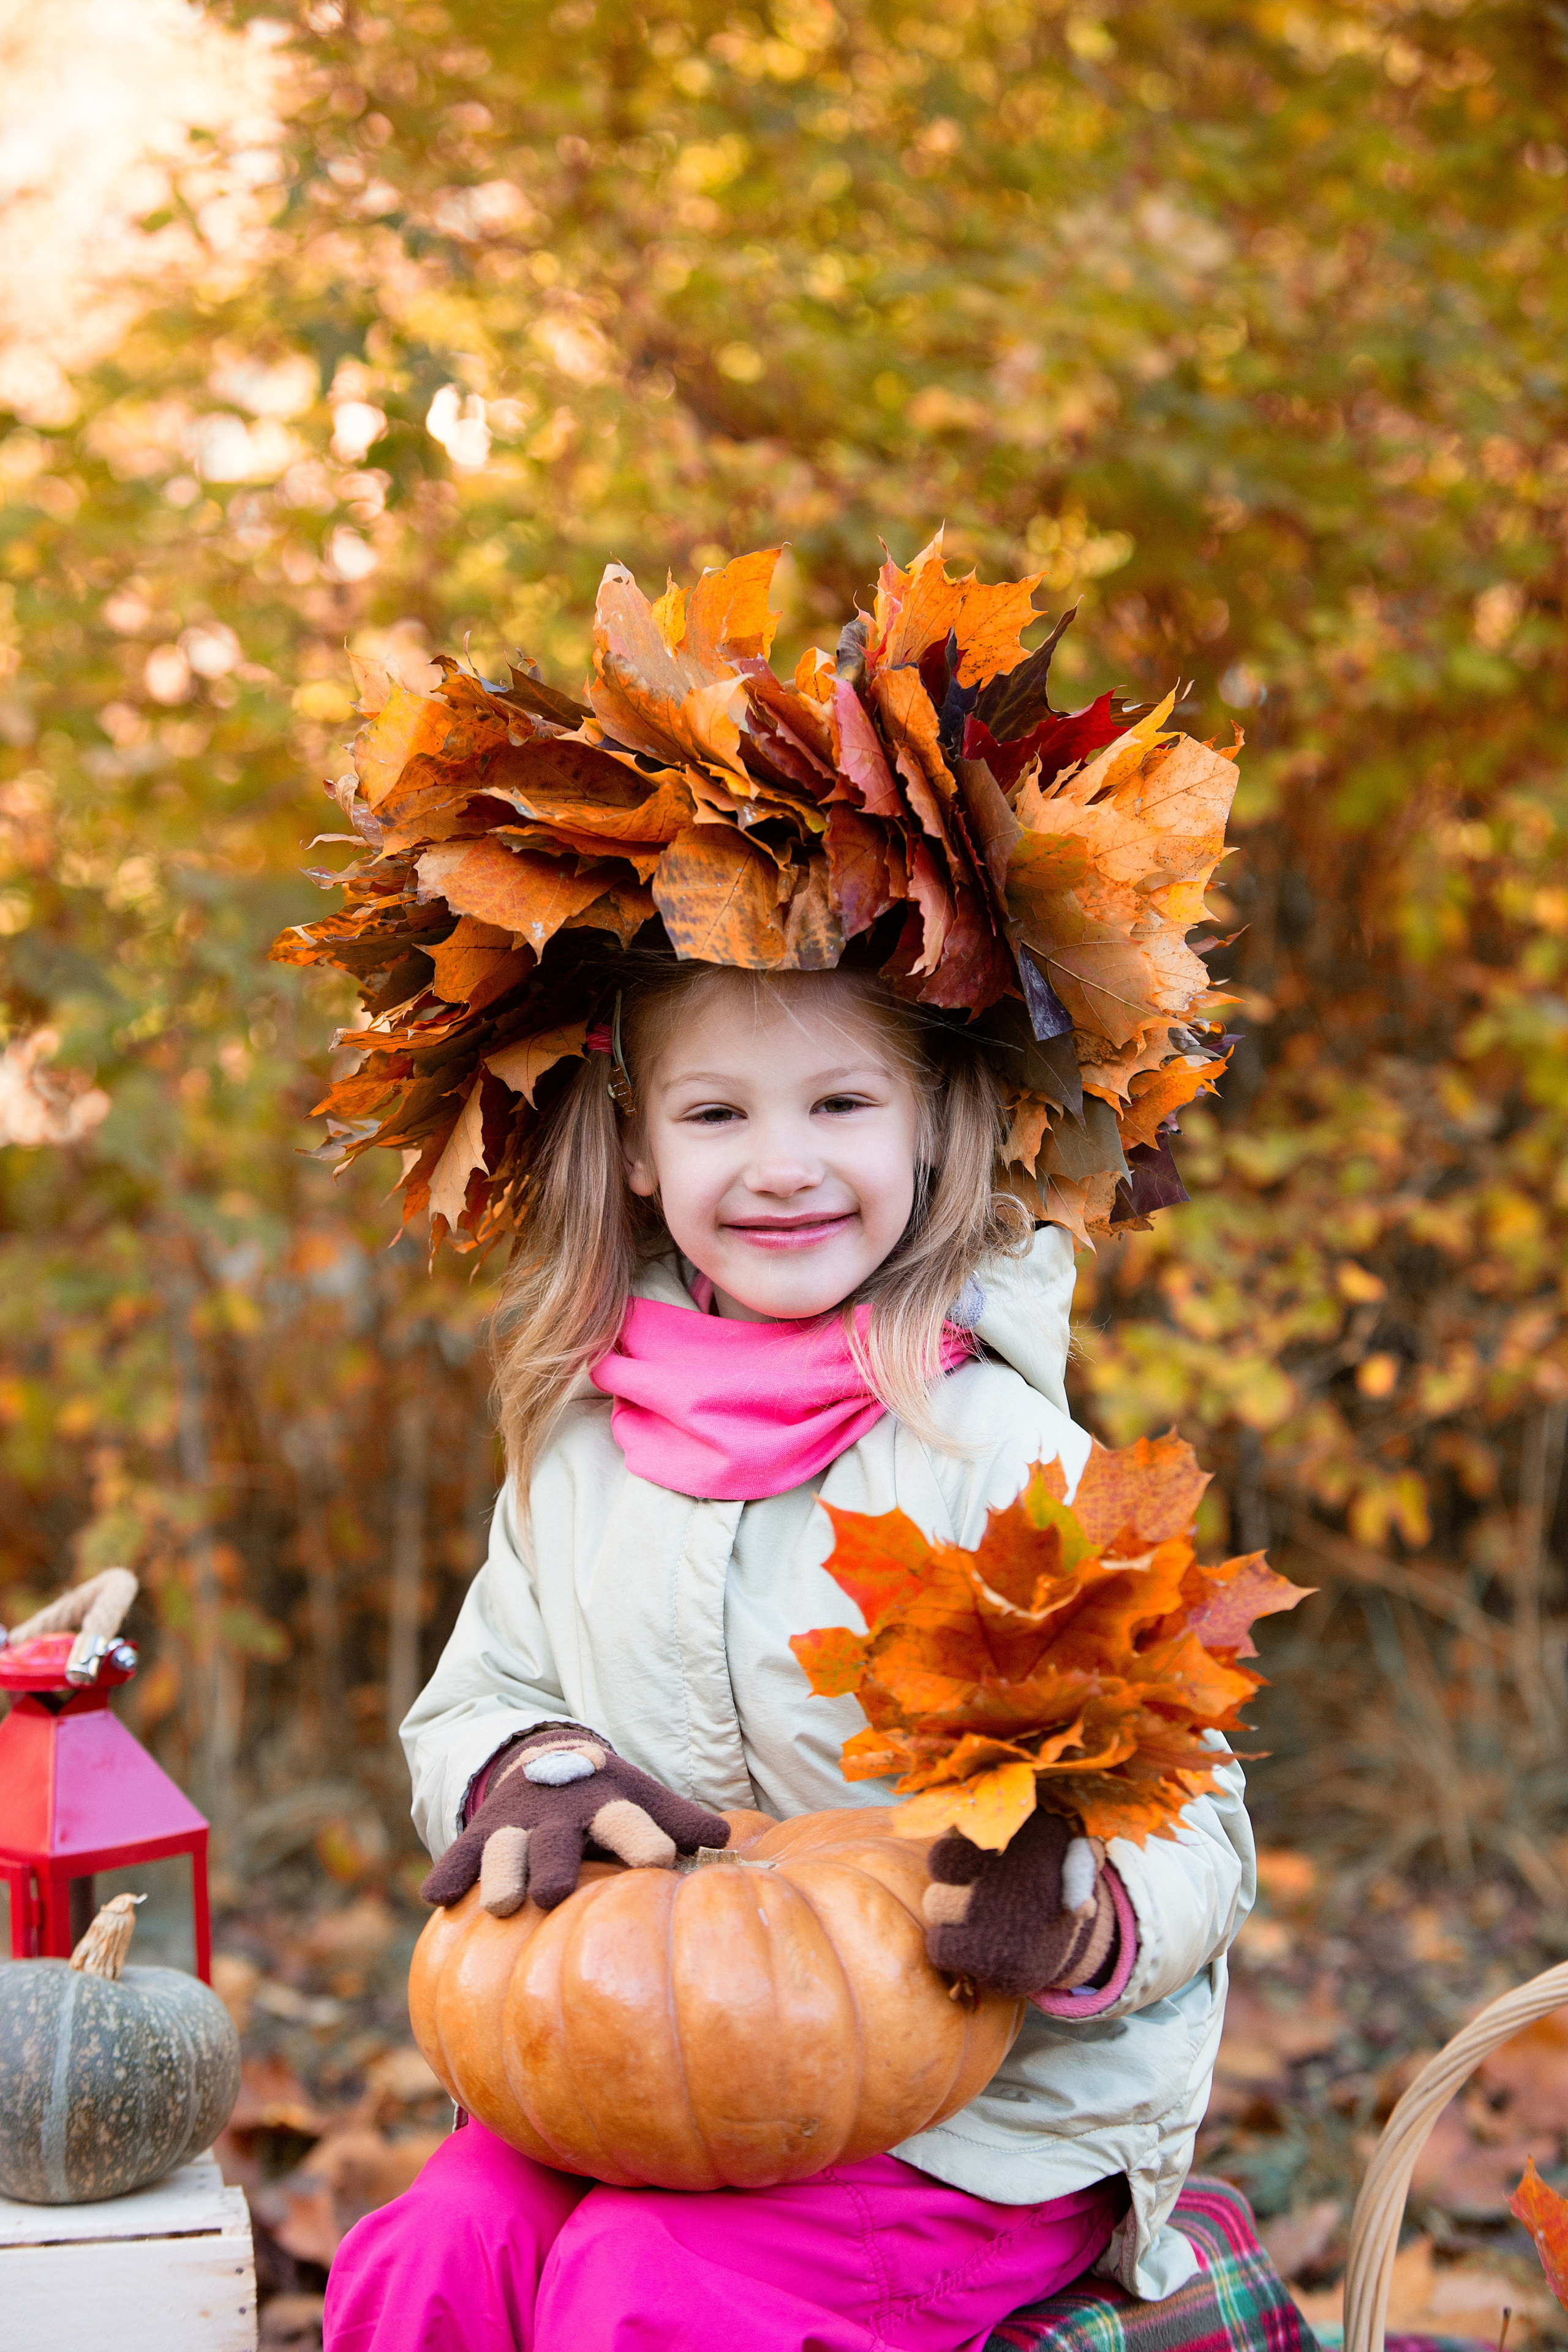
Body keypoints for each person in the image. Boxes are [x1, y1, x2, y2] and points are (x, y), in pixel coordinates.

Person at [323, 959, 1254, 2352]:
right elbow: (483, 1697)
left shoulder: (1002, 1459)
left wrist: (1075, 1904)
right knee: (438, 2244)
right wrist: (529, 1768)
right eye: (715, 1116)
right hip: (637, 2061)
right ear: (636, 1150)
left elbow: (1195, 1819)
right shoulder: (580, 1454)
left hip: (973, 2122)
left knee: (648, 2287)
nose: (782, 1166)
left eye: (837, 1102)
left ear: (927, 1124)